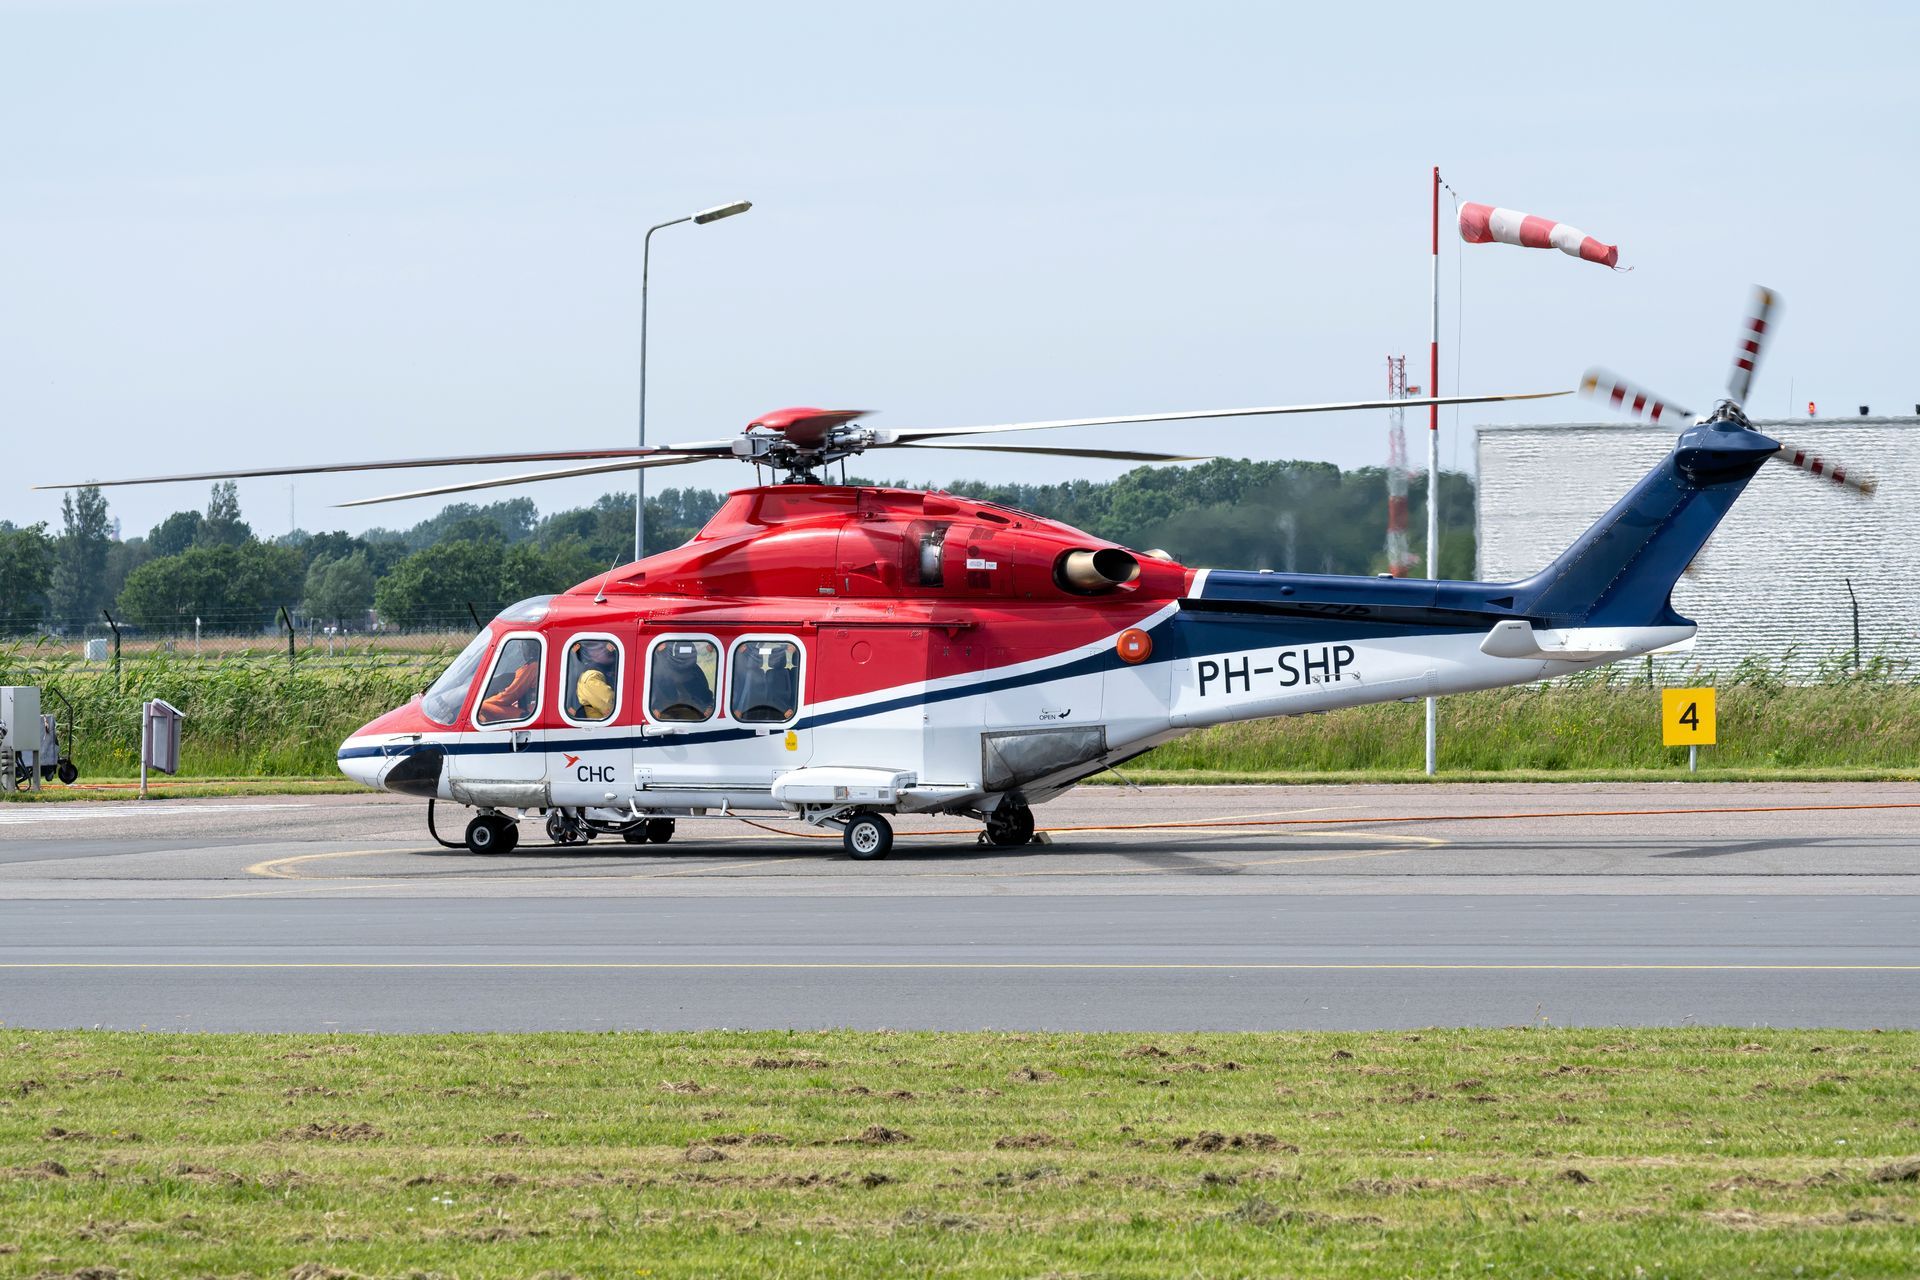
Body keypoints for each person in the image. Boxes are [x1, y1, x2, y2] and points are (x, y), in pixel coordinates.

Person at [651, 641, 715, 721]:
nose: (686, 676)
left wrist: (709, 707)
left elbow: (707, 699)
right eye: (680, 672)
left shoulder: (695, 676)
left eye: (687, 672)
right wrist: (653, 710)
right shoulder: (654, 675)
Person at [572, 638, 619, 721]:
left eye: (604, 646)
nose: (605, 650)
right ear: (588, 655)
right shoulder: (591, 677)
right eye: (596, 649)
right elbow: (615, 706)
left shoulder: (607, 671)